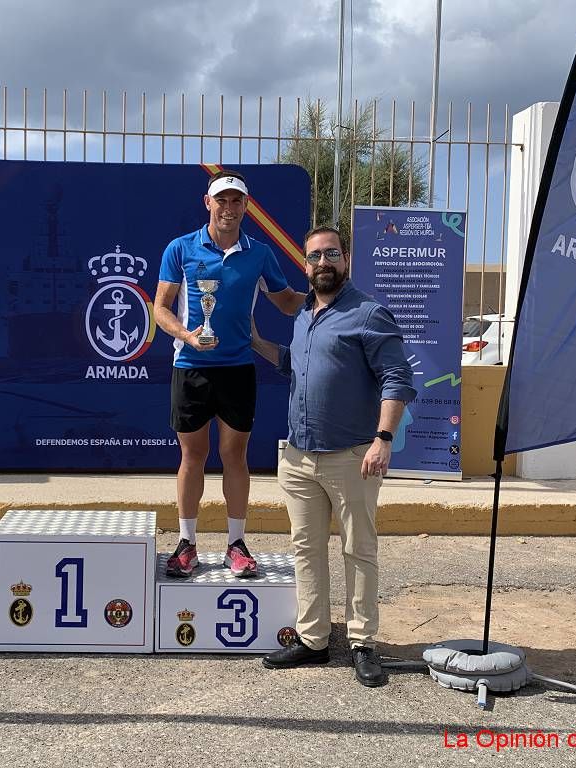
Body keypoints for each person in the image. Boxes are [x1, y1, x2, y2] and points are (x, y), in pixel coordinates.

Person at [251, 225, 415, 687]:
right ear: (304, 265)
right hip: (299, 457)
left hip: (352, 456)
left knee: (358, 549)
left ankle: (363, 642)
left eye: (331, 254)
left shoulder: (369, 313)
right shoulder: (305, 315)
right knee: (306, 549)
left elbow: (396, 378)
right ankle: (314, 639)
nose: (323, 263)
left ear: (346, 260)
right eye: (314, 257)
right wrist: (257, 342)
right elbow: (295, 365)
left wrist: (383, 438)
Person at [154, 170, 304, 579]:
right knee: (193, 455)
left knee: (235, 455)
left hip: (238, 368)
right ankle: (187, 543)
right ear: (208, 203)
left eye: (236, 201)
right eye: (222, 200)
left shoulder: (260, 253)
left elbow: (288, 303)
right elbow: (160, 308)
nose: (229, 208)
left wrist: (331, 292)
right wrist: (187, 335)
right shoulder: (180, 249)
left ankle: (235, 545)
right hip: (190, 368)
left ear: (246, 207)